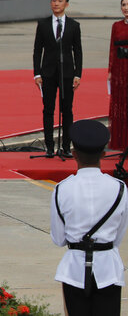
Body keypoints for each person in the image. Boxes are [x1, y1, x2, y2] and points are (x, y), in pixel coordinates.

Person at [51, 120, 128, 316]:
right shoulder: (119, 188)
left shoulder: (62, 189)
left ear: (74, 154)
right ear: (103, 154)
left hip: (74, 269)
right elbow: (118, 237)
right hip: (108, 269)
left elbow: (59, 239)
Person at [33, 0, 83, 157]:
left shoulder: (74, 26)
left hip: (67, 73)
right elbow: (37, 50)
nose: (56, 3)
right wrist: (37, 73)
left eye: (60, 1)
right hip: (47, 73)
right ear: (50, 3)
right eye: (54, 0)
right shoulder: (43, 24)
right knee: (48, 109)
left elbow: (78, 51)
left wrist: (78, 74)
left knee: (67, 110)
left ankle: (67, 146)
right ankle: (48, 146)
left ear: (66, 4)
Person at [106, 0, 128, 151]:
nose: (126, 7)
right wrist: (110, 70)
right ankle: (121, 143)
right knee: (120, 105)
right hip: (120, 71)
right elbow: (112, 50)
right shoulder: (116, 25)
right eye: (123, 5)